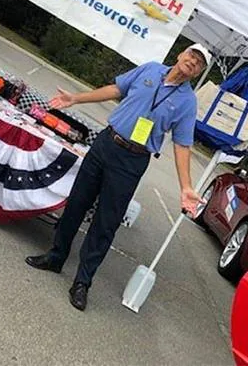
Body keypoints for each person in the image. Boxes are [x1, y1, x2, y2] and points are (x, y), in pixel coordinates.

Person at [26, 43, 212, 311]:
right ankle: (55, 257)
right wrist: (76, 98)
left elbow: (182, 144)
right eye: (191, 55)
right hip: (106, 144)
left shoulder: (187, 102)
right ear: (180, 54)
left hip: (133, 159)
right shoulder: (150, 69)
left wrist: (186, 187)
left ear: (198, 73)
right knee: (76, 203)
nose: (193, 62)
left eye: (199, 63)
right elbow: (116, 89)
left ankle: (82, 282)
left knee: (106, 222)